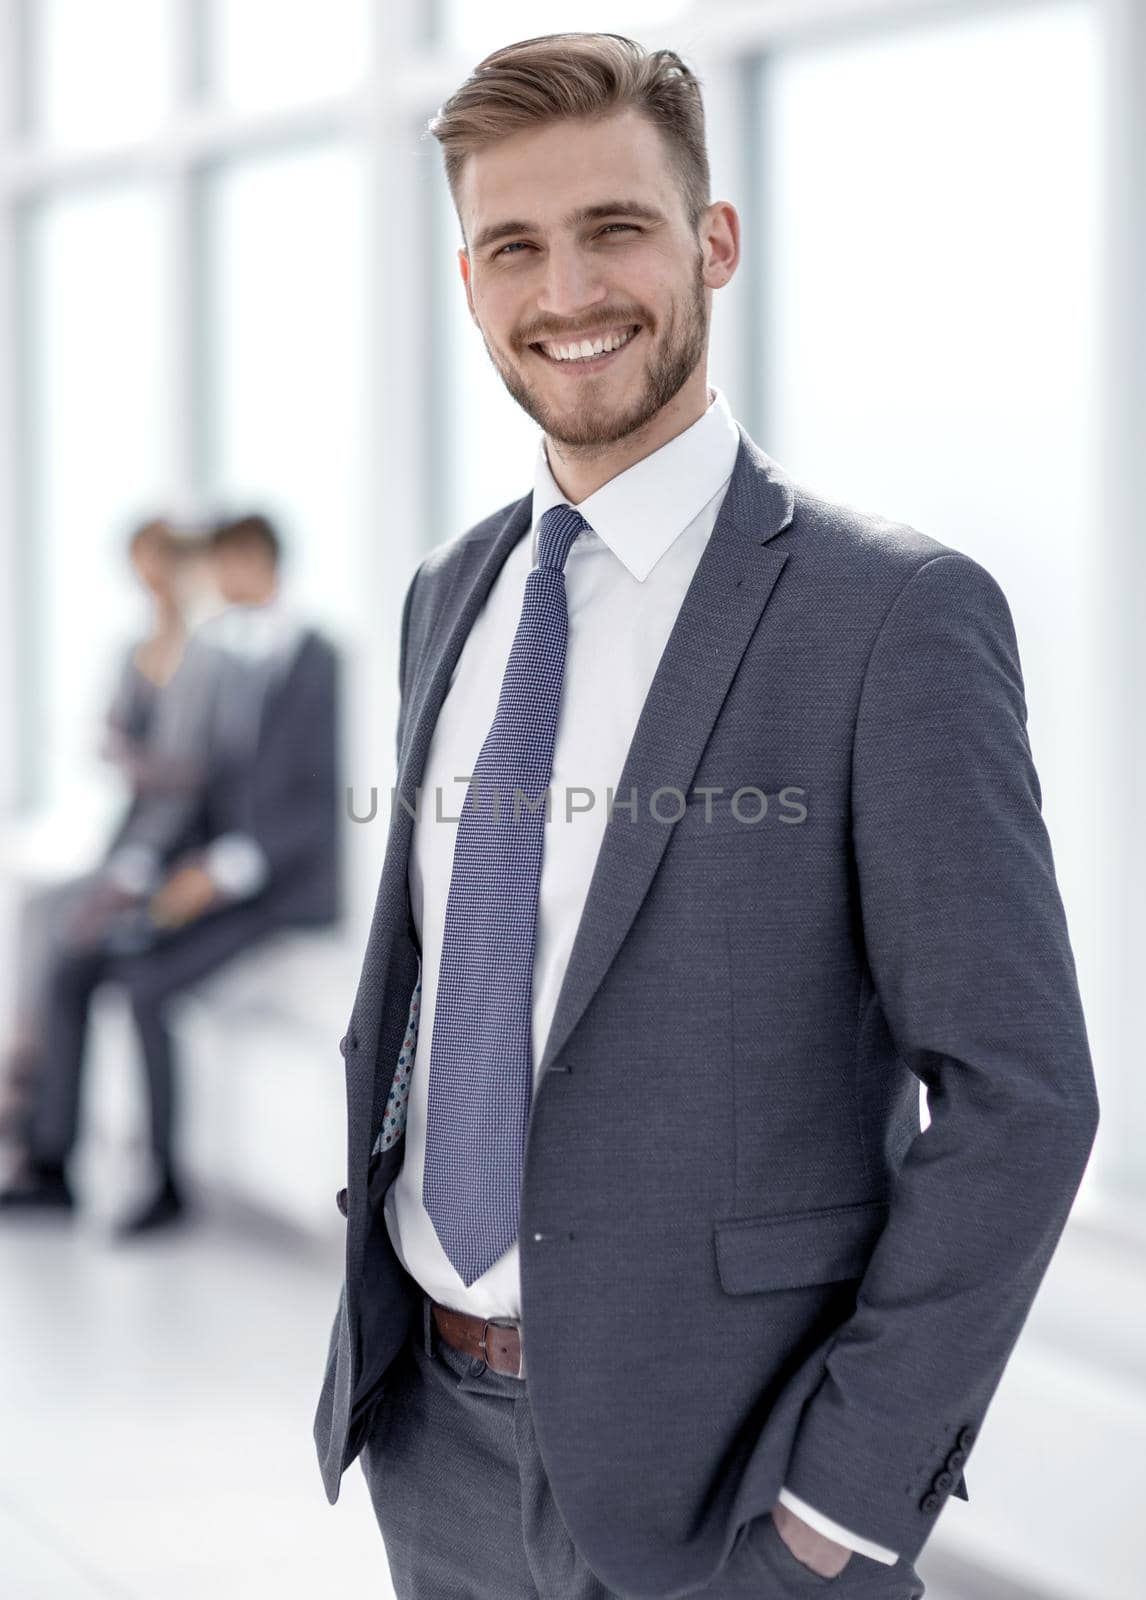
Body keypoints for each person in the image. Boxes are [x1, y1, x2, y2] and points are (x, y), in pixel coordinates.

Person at [313, 32, 1099, 1600]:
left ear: (711, 242)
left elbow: (1019, 1092)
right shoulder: (447, 595)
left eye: (615, 229)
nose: (567, 293)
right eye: (515, 248)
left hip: (734, 1490)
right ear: (467, 278)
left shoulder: (891, 617)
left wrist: (837, 1506)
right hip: (435, 1452)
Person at [0, 513, 341, 1237]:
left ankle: (163, 1183)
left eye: (224, 566)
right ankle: (57, 1161)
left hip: (280, 890)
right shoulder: (226, 656)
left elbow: (317, 800)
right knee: (93, 965)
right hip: (206, 872)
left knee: (146, 986)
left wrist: (218, 872)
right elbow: (206, 790)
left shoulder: (319, 660)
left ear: (256, 560)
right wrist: (170, 870)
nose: (213, 584)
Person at [0, 516, 201, 1150]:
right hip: (133, 837)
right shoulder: (136, 649)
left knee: (68, 938)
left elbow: (193, 775)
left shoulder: (210, 651)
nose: (148, 578)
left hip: (173, 851)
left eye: (156, 561)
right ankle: (32, 1102)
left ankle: (32, 1110)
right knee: (45, 923)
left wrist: (147, 775)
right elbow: (116, 741)